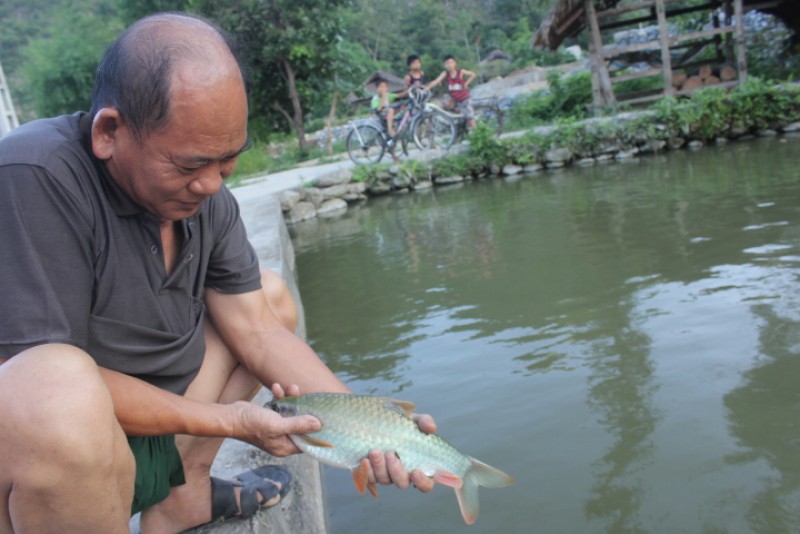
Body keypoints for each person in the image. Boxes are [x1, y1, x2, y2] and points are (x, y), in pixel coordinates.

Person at [0, 12, 436, 533]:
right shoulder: (34, 178)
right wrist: (230, 422)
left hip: (157, 438)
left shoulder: (207, 199)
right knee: (57, 392)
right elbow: (38, 393)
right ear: (109, 132)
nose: (210, 186)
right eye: (189, 165)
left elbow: (256, 328)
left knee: (270, 299)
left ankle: (183, 496)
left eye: (227, 162)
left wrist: (369, 429)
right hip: (71, 466)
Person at [425, 55, 478, 129]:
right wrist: (427, 88)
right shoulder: (445, 74)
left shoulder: (460, 72)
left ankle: (477, 132)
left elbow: (473, 74)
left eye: (451, 63)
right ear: (444, 65)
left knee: (470, 116)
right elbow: (437, 81)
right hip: (453, 99)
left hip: (464, 98)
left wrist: (466, 83)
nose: (449, 65)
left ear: (455, 63)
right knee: (441, 107)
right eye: (447, 63)